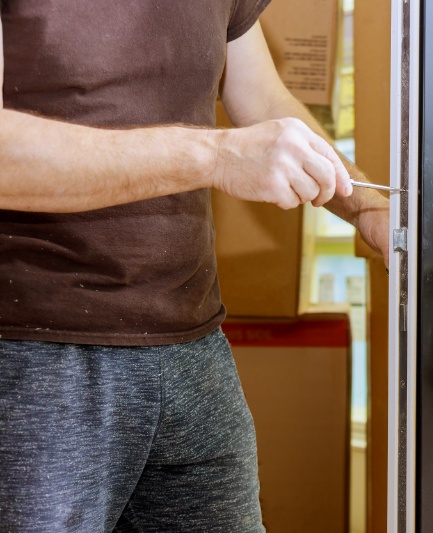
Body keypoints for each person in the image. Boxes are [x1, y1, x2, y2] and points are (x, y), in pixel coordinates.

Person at [0, 1, 389, 531]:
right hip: (33, 354)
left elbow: (263, 98)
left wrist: (370, 207)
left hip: (194, 348)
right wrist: (215, 156)